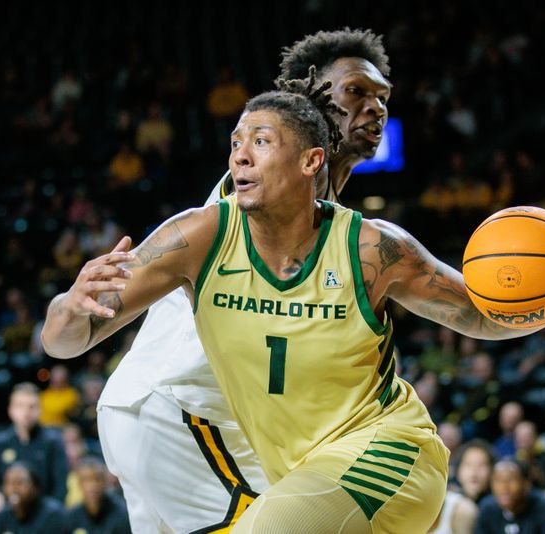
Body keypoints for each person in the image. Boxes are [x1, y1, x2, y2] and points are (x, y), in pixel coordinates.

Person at [42, 66, 545, 531]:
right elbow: (67, 343)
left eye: (261, 143)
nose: (240, 156)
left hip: (389, 454)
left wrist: (544, 308)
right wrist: (69, 305)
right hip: (300, 471)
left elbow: (478, 314)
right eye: (236, 142)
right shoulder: (199, 236)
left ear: (311, 162)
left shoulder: (372, 248)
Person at [93, 28, 401, 534]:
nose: (375, 107)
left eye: (382, 97)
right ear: (312, 93)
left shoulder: (322, 210)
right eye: (356, 92)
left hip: (174, 416)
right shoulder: (277, 188)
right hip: (182, 414)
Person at [0, 382, 67, 508]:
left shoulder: (53, 442)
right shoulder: (0, 443)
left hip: (45, 514)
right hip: (10, 513)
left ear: (40, 410)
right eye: (20, 406)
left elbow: (60, 489)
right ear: (10, 410)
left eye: (32, 406)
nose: (26, 412)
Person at [474, 459, 545, 534]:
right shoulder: (487, 509)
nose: (503, 487)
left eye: (511, 480)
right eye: (498, 480)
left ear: (526, 484)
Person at [0, 461, 67, 534]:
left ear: (35, 487)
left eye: (19, 483)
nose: (13, 489)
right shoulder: (1, 518)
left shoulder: (53, 516)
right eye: (8, 483)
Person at [65, 457, 132, 534]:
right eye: (87, 480)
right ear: (79, 483)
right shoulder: (72, 517)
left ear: (106, 482)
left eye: (97, 479)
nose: (93, 486)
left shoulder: (122, 514)